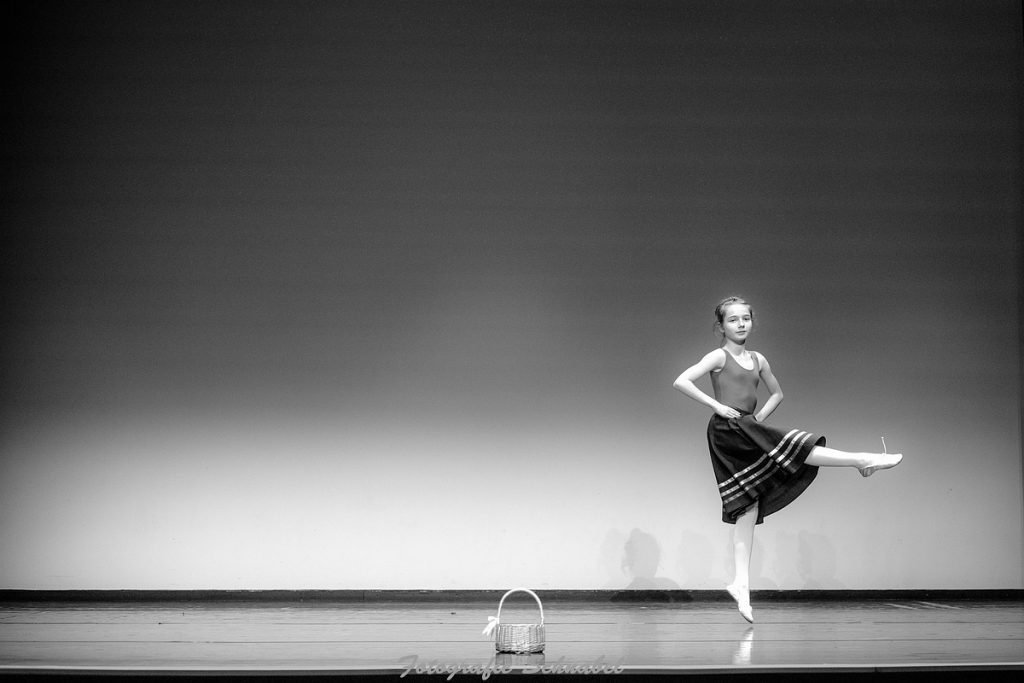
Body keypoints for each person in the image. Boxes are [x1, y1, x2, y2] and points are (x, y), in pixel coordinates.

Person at [672, 296, 902, 623]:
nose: (740, 324)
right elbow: (681, 380)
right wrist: (717, 406)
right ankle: (862, 460)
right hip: (726, 431)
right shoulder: (718, 356)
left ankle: (740, 583)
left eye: (745, 319)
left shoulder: (759, 359)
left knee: (748, 506)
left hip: (746, 425)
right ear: (721, 326)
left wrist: (759, 418)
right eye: (733, 320)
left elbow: (777, 393)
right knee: (797, 448)